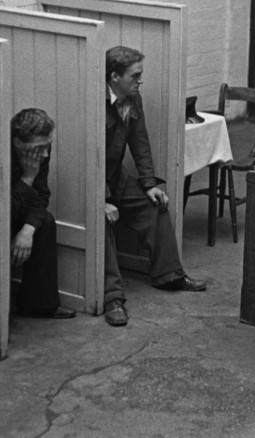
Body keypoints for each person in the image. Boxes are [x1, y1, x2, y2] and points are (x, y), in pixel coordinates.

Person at [102, 45, 206, 327]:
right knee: (102, 224)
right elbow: (86, 157)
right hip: (95, 182)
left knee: (155, 204)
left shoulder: (132, 98)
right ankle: (112, 296)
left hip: (117, 178)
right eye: (135, 76)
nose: (139, 81)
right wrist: (100, 199)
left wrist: (149, 183)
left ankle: (169, 275)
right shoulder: (95, 103)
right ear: (114, 76)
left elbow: (140, 142)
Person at [9, 108, 76, 318]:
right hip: (1, 212)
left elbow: (42, 195)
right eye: (40, 148)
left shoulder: (39, 151)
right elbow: (2, 211)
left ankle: (40, 304)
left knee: (45, 222)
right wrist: (27, 178)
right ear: (17, 143)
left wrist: (27, 231)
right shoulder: (2, 156)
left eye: (48, 146)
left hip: (20, 205)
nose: (46, 154)